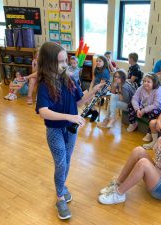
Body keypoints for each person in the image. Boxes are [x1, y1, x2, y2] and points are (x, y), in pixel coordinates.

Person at [35, 42, 103, 220]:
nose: (65, 65)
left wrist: (93, 92)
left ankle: (62, 187)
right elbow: (43, 112)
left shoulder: (70, 79)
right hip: (55, 130)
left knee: (66, 160)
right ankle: (59, 197)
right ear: (49, 63)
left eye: (66, 60)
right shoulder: (44, 84)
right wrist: (69, 117)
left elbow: (79, 102)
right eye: (60, 62)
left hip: (71, 130)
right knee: (61, 163)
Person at [98, 125, 161, 217]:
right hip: (159, 178)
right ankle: (118, 184)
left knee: (143, 163)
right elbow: (158, 161)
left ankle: (119, 194)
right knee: (138, 150)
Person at [86, 55, 110, 122]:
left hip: (102, 89)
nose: (98, 62)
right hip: (95, 87)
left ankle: (95, 112)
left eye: (100, 61)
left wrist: (92, 92)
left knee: (89, 98)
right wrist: (90, 89)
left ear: (104, 62)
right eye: (97, 61)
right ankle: (91, 111)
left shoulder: (105, 71)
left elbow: (101, 85)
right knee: (84, 95)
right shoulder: (96, 69)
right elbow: (93, 81)